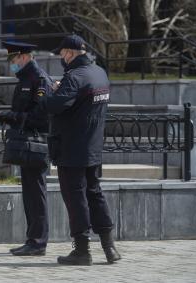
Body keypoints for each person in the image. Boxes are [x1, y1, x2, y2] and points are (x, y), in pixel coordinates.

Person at [38, 35, 121, 265]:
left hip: (71, 149)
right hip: (93, 147)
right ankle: (109, 248)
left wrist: (45, 91)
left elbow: (54, 105)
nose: (61, 58)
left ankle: (81, 250)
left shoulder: (74, 77)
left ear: (71, 53)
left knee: (76, 201)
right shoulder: (99, 73)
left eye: (62, 54)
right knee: (95, 194)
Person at [0, 41, 53, 256]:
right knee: (30, 193)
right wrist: (10, 118)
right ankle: (32, 240)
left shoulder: (39, 80)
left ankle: (38, 242)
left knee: (36, 193)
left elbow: (41, 117)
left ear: (25, 57)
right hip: (27, 144)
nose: (12, 63)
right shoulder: (25, 79)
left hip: (37, 145)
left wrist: (13, 116)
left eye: (14, 59)